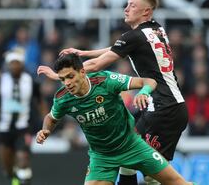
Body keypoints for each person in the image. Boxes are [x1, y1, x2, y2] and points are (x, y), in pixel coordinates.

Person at [37, 0, 189, 184]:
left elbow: (94, 66)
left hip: (161, 107)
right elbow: (120, 47)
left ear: (146, 12)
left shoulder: (133, 37)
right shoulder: (155, 30)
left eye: (132, 5)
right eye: (127, 4)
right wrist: (84, 53)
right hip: (172, 106)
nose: (126, 9)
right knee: (131, 160)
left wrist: (58, 75)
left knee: (150, 172)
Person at [36, 53, 194, 185]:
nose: (67, 83)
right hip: (102, 157)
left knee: (178, 183)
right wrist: (45, 130)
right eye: (63, 79)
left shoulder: (106, 81)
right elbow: (51, 118)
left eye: (70, 76)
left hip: (131, 145)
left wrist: (144, 92)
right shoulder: (63, 98)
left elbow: (149, 81)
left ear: (82, 72)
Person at [0, 48, 47, 185]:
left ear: (22, 64)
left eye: (17, 63)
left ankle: (25, 180)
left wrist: (45, 121)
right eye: (12, 63)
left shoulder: (31, 82)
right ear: (8, 64)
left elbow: (41, 101)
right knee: (6, 163)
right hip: (3, 127)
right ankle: (14, 178)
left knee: (23, 157)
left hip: (24, 127)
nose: (14, 66)